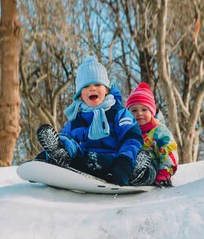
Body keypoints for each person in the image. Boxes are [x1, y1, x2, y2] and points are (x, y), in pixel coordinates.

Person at [36, 56, 156, 186]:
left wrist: (124, 160)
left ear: (106, 89)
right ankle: (57, 155)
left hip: (116, 160)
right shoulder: (78, 117)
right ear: (80, 94)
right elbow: (68, 136)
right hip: (89, 160)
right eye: (86, 86)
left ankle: (137, 174)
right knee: (67, 141)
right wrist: (48, 154)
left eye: (97, 84)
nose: (92, 88)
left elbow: (131, 138)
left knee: (143, 159)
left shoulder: (119, 113)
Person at [126, 82, 178, 187]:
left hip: (152, 169)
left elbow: (168, 152)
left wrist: (164, 173)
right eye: (134, 110)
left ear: (152, 112)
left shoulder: (159, 132)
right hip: (128, 166)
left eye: (144, 109)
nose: (139, 113)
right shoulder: (126, 132)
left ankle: (133, 176)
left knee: (141, 156)